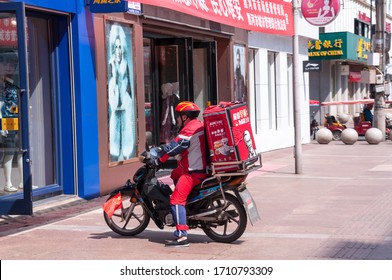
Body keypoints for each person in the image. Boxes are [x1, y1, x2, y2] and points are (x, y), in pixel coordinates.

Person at [152, 101, 208, 247]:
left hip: (193, 172)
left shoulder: (189, 129)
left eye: (178, 116)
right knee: (174, 175)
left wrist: (160, 156)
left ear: (185, 117)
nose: (177, 119)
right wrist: (163, 155)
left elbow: (175, 146)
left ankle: (182, 236)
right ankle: (187, 209)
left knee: (176, 200)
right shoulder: (199, 124)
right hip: (194, 168)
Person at [108, 24, 136, 162]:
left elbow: (129, 86)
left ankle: (125, 153)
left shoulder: (125, 64)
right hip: (115, 103)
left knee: (126, 130)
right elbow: (111, 83)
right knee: (114, 130)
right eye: (116, 47)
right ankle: (116, 154)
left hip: (124, 102)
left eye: (120, 47)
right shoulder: (111, 64)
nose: (118, 50)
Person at [0, 53, 23, 192]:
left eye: (12, 65)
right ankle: (7, 182)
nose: (10, 67)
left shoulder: (11, 83)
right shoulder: (3, 84)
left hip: (17, 120)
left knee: (20, 151)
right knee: (9, 152)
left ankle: (22, 181)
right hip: (7, 121)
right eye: (6, 64)